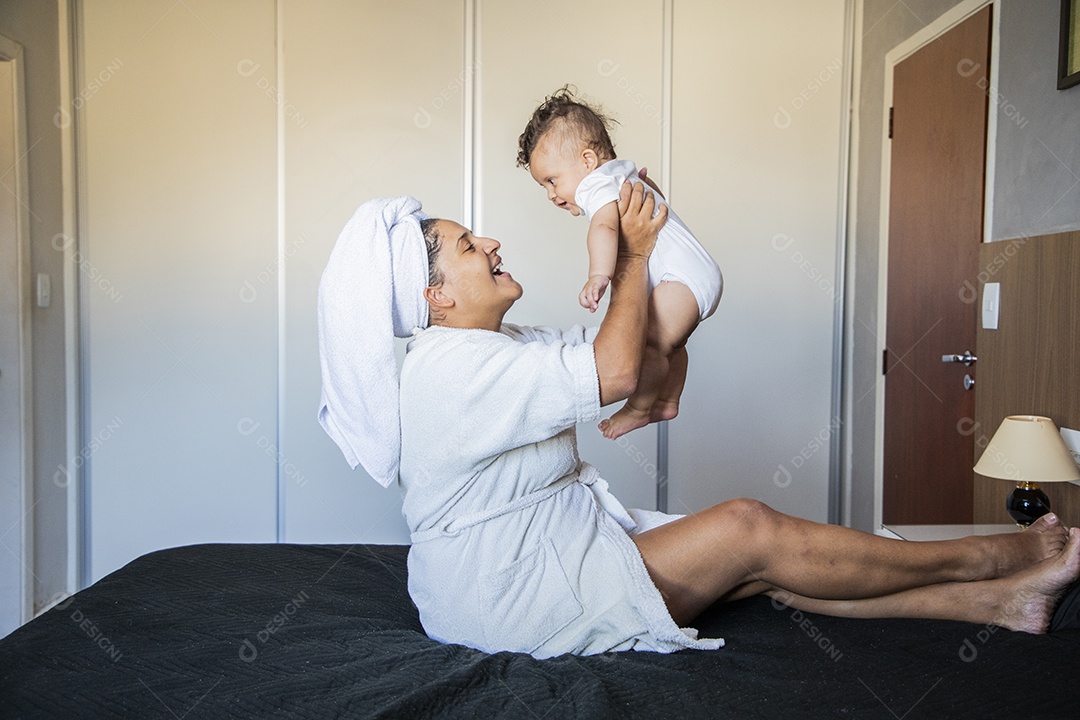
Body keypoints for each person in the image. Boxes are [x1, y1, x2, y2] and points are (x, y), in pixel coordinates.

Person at [316, 184, 1080, 661]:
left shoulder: (500, 342)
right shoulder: (452, 368)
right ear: (436, 298)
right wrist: (638, 256)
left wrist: (667, 295)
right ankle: (991, 557)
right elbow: (617, 373)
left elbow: (635, 361)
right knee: (748, 529)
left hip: (541, 553)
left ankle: (998, 603)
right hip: (508, 595)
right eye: (465, 245)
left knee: (754, 573)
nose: (490, 241)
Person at [517, 86, 723, 440]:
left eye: (552, 180)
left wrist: (598, 276)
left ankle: (639, 408)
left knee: (649, 345)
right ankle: (668, 398)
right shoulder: (622, 174)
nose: (551, 194)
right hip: (692, 275)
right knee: (670, 343)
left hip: (682, 280)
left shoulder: (595, 186)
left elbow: (604, 227)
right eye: (543, 186)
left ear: (586, 161)